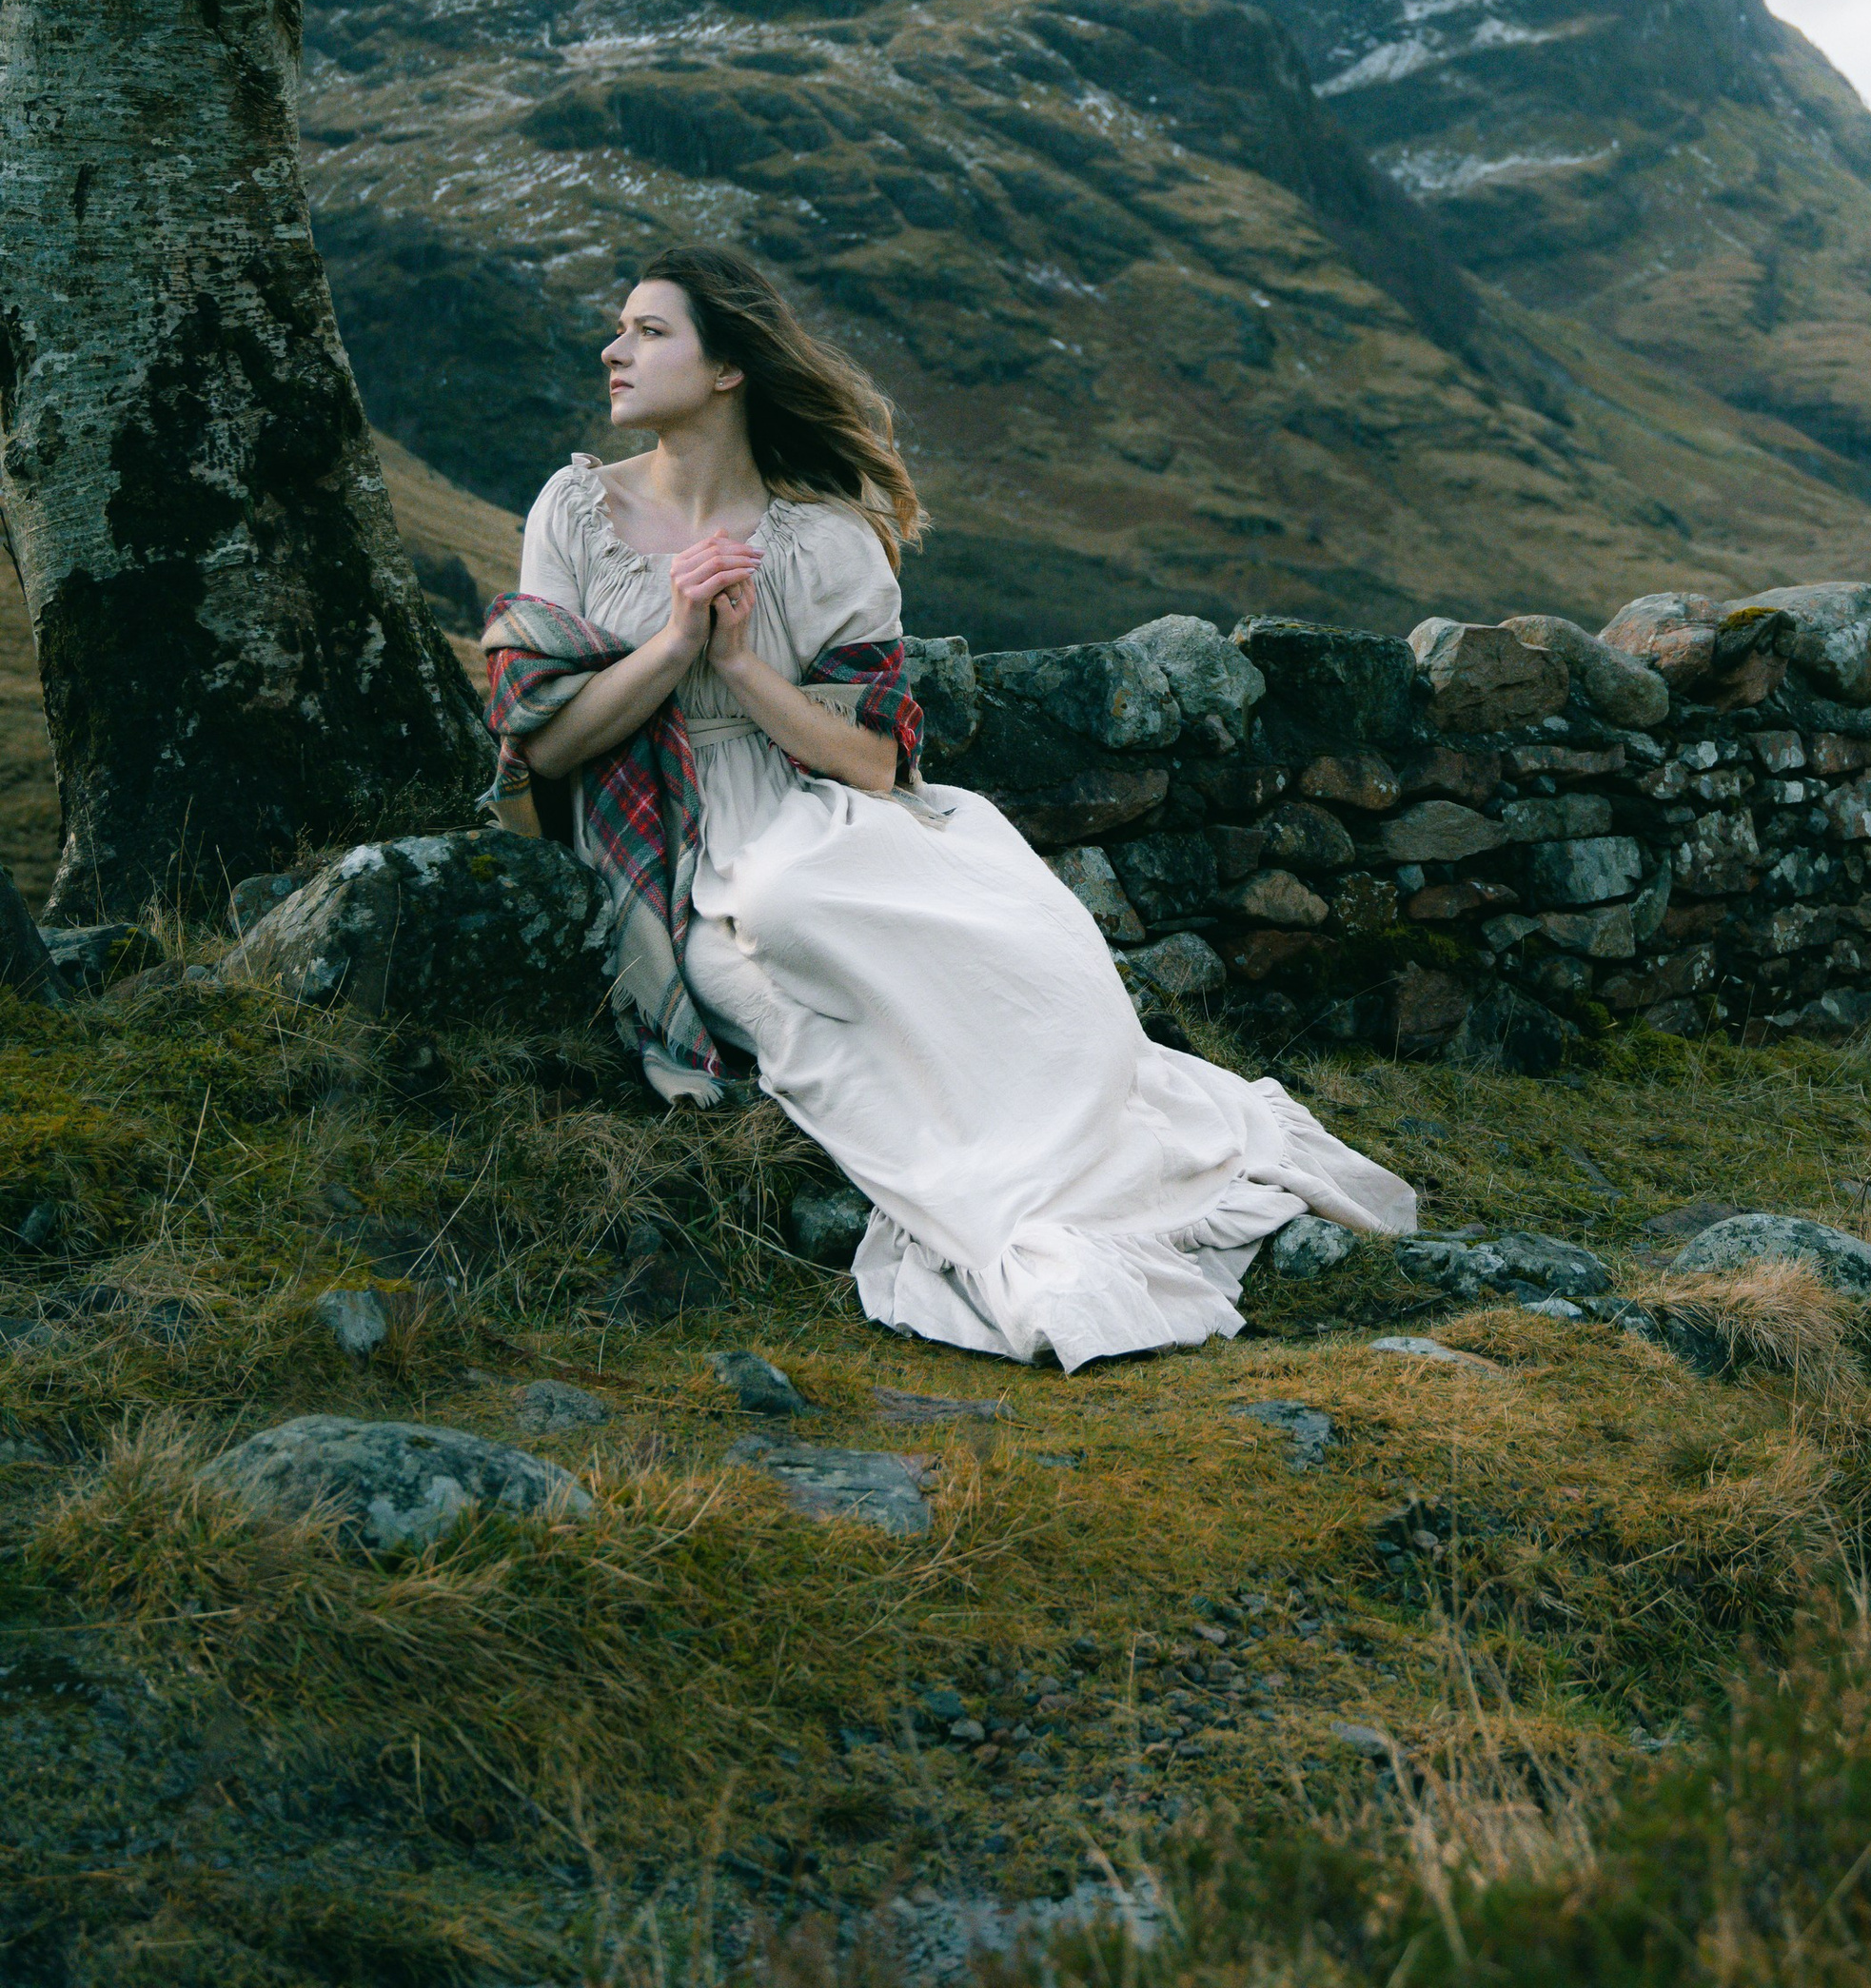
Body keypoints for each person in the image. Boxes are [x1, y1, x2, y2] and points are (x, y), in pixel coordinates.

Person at [481, 246, 1414, 1372]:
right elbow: (547, 742)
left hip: (821, 814)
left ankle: (1104, 1156)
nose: (613, 351)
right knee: (791, 974)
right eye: (621, 329)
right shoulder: (578, 512)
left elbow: (873, 766)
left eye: (647, 331)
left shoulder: (826, 538)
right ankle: (1001, 1202)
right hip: (674, 853)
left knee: (993, 931)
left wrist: (736, 664)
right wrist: (675, 642)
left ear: (727, 368)